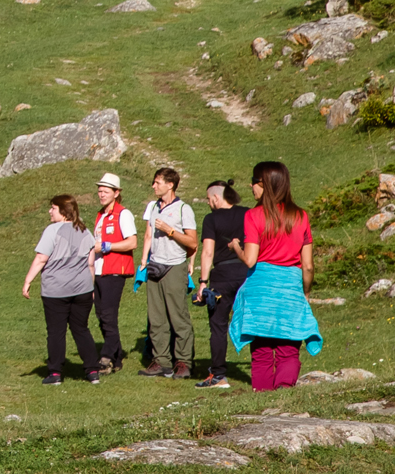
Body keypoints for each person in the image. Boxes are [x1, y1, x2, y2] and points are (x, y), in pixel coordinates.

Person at [227, 160, 320, 391]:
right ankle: (284, 390)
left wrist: (236, 247)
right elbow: (308, 266)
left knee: (261, 351)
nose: (251, 187)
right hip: (290, 288)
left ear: (265, 184)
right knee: (289, 349)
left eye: (253, 182)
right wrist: (305, 292)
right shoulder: (300, 216)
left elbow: (250, 260)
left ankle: (263, 397)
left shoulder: (253, 215)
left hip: (260, 289)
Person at [21, 194, 101, 384]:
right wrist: (90, 287)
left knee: (56, 331)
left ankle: (55, 373)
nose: (50, 211)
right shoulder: (85, 231)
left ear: (64, 212)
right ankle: (92, 370)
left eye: (53, 208)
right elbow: (90, 263)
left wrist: (28, 280)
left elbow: (41, 258)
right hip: (82, 289)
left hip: (56, 290)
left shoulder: (52, 230)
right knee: (81, 329)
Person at [137, 167, 199, 378]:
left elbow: (192, 242)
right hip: (155, 266)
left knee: (178, 316)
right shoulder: (154, 207)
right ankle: (161, 361)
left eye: (157, 182)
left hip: (174, 266)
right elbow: (148, 235)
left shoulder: (183, 209)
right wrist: (144, 260)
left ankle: (183, 362)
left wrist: (170, 231)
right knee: (156, 318)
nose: (153, 186)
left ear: (170, 185)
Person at [193, 180, 250, 390]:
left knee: (218, 325)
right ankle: (264, 370)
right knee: (252, 322)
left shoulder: (211, 219)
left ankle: (218, 375)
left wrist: (203, 282)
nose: (209, 203)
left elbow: (208, 252)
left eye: (209, 199)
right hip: (247, 273)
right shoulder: (247, 214)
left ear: (216, 198)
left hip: (222, 276)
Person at [89, 173, 137, 376]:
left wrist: (106, 246)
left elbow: (132, 242)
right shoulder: (100, 215)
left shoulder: (123, 214)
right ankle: (116, 358)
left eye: (105, 191)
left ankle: (106, 357)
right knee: (101, 315)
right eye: (99, 191)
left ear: (116, 193)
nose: (101, 194)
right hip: (99, 270)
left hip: (115, 270)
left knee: (108, 315)